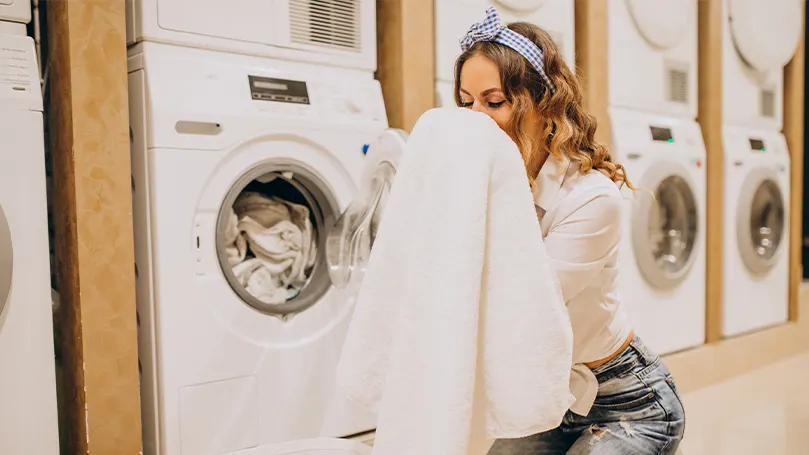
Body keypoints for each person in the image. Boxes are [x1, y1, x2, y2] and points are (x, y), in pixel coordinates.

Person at [454, 8, 686, 455]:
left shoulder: (592, 198)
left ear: (544, 103)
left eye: (494, 101)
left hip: (629, 400)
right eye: (467, 102)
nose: (475, 118)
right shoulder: (489, 182)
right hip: (554, 397)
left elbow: (523, 304)